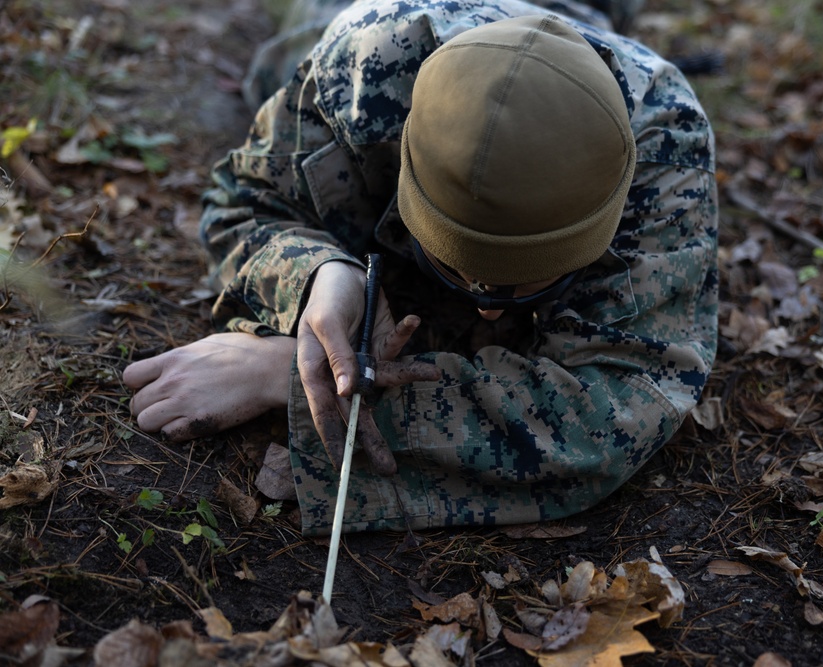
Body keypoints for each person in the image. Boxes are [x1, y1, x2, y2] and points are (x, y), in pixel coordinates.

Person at [123, 0, 719, 536]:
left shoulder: (665, 146)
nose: (485, 307)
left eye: (520, 283)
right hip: (381, 17)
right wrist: (322, 274)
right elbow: (245, 199)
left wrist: (294, 379)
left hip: (574, 26)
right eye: (457, 269)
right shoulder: (362, 69)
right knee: (275, 58)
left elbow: (616, 407)